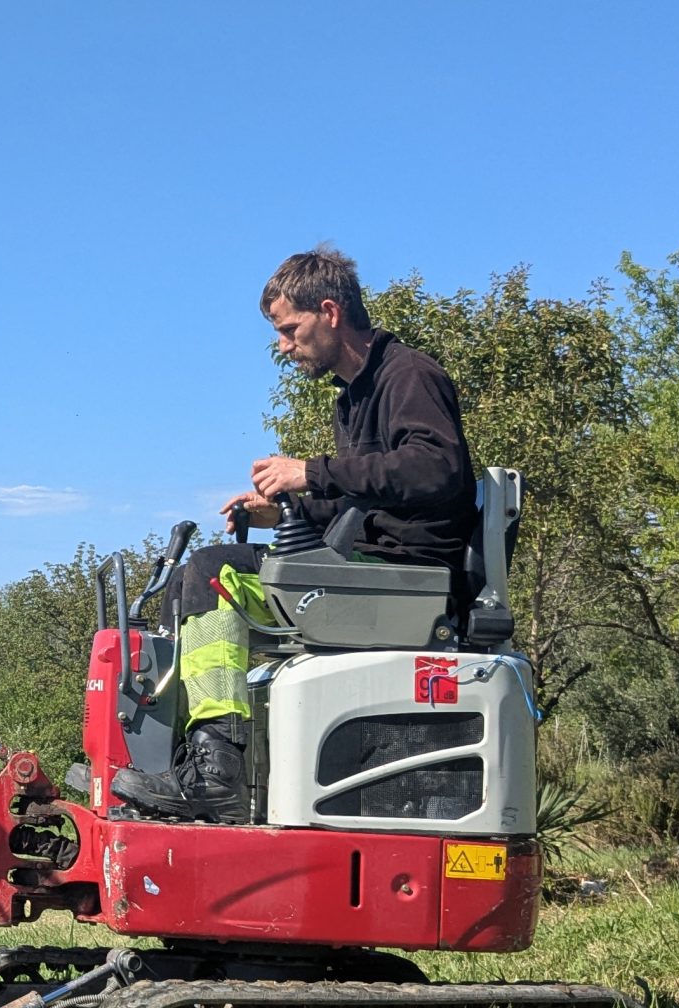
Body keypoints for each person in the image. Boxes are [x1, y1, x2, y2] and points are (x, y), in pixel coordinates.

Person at [116, 245, 475, 824]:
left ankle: (219, 775)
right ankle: (191, 764)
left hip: (404, 579)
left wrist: (308, 472)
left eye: (289, 329)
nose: (282, 346)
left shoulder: (408, 374)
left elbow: (436, 469)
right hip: (368, 567)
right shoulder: (354, 396)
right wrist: (282, 513)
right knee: (192, 579)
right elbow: (359, 497)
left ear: (329, 311)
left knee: (216, 572)